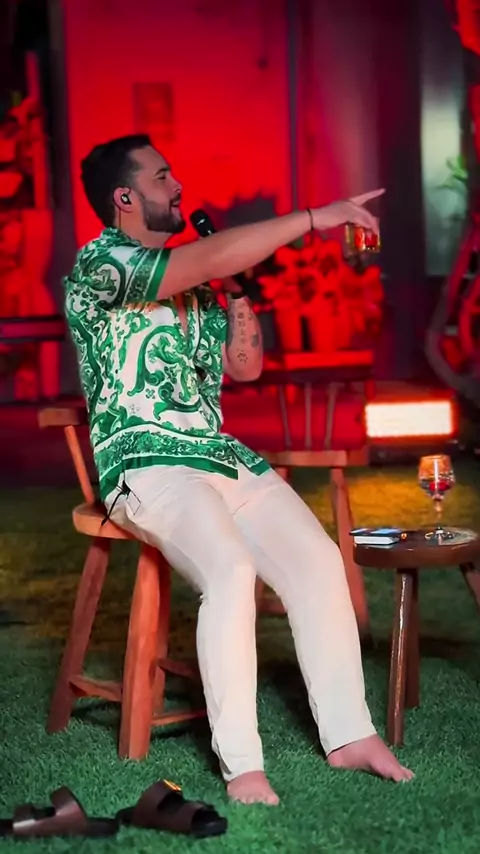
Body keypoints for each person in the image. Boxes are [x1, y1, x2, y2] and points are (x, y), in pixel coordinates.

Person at [65, 134, 413, 805]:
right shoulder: (101, 265)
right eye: (162, 177)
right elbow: (206, 257)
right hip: (147, 463)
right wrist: (315, 217)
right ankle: (244, 766)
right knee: (230, 570)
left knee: (317, 560)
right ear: (125, 197)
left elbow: (244, 366)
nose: (178, 187)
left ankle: (350, 735)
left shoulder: (195, 284)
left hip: (219, 455)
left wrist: (238, 297)